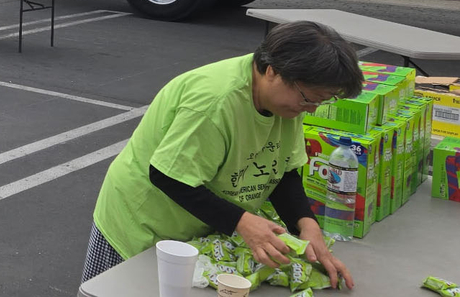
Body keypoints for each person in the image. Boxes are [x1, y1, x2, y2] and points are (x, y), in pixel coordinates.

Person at [84, 21, 362, 289]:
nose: (312, 109)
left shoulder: (286, 101)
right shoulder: (214, 103)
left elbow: (282, 170)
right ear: (272, 72)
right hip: (141, 223)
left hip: (198, 225)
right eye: (308, 98)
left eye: (321, 101)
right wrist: (242, 222)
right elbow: (167, 176)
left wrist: (306, 224)